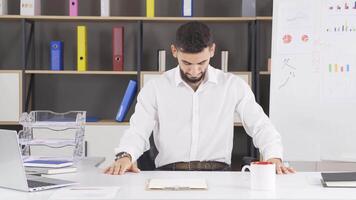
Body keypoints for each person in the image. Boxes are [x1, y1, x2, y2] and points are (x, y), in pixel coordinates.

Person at [104, 21, 295, 175]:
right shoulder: (155, 88)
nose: (194, 70)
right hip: (168, 175)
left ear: (212, 50)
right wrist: (125, 155)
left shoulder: (232, 85)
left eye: (201, 62)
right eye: (186, 62)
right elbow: (138, 130)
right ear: (174, 51)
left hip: (219, 176)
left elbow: (261, 125)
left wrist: (274, 157)